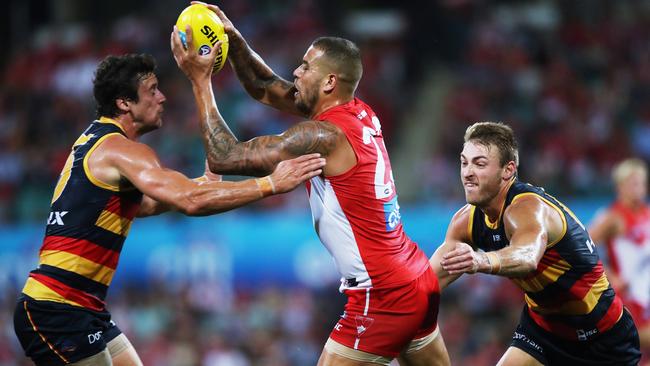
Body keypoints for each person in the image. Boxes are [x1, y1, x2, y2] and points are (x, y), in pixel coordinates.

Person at [170, 4, 450, 365]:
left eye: (305, 67)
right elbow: (265, 87)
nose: (296, 72)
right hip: (415, 276)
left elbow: (225, 157)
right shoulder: (358, 112)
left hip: (380, 293)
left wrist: (199, 80)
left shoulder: (323, 133)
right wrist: (235, 40)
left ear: (329, 82)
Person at [12, 53, 325, 366]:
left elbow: (142, 205)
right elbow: (190, 201)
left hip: (83, 306)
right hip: (56, 307)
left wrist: (199, 184)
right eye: (151, 90)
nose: (162, 98)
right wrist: (270, 184)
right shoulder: (122, 150)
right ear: (124, 103)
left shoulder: (94, 142)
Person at [429, 121, 641, 365]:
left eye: (480, 164)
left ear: (508, 170)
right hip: (542, 332)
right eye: (464, 162)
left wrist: (481, 259)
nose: (467, 172)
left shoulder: (528, 208)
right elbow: (426, 282)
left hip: (602, 337)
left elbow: (527, 257)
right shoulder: (465, 221)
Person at [589, 157, 650, 365]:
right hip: (629, 296)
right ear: (620, 186)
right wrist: (609, 274)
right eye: (633, 183)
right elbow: (582, 246)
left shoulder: (647, 213)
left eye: (642, 182)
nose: (639, 188)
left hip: (646, 293)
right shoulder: (613, 217)